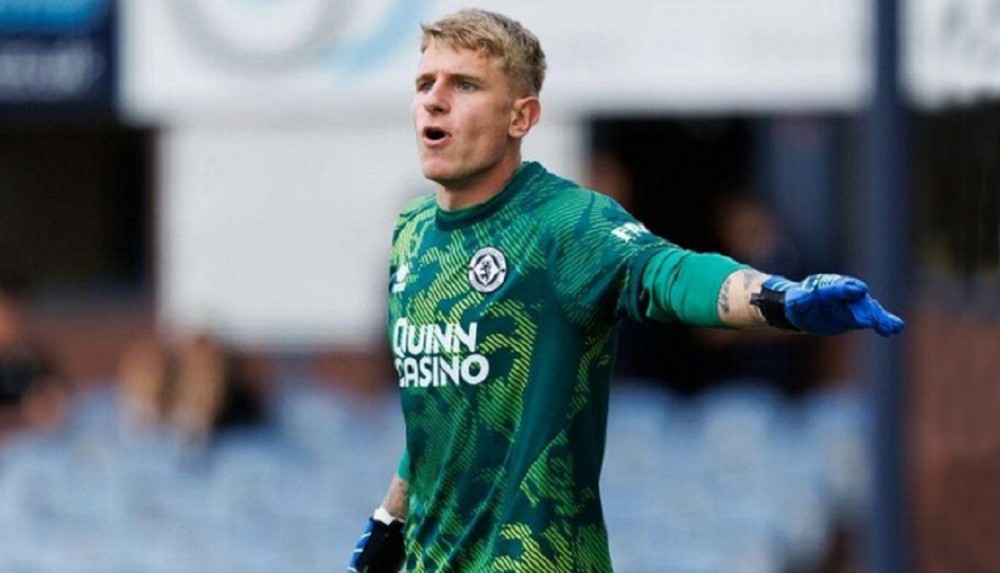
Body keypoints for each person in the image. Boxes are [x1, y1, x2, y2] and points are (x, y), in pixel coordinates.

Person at [348, 9, 904, 573]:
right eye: (425, 83)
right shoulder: (412, 233)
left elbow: (668, 273)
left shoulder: (567, 225)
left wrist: (776, 298)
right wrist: (388, 523)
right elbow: (437, 412)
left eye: (464, 85)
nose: (434, 101)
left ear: (521, 116)